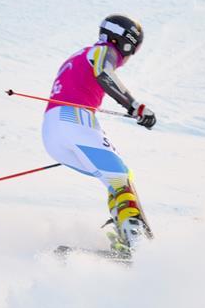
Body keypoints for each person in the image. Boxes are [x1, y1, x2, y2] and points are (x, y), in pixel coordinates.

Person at [42, 15, 156, 255]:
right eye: (133, 49)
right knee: (121, 177)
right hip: (74, 120)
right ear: (125, 42)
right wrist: (135, 107)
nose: (129, 56)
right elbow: (104, 73)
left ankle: (126, 236)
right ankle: (137, 245)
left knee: (115, 181)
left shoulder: (79, 55)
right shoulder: (104, 50)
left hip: (52, 132)